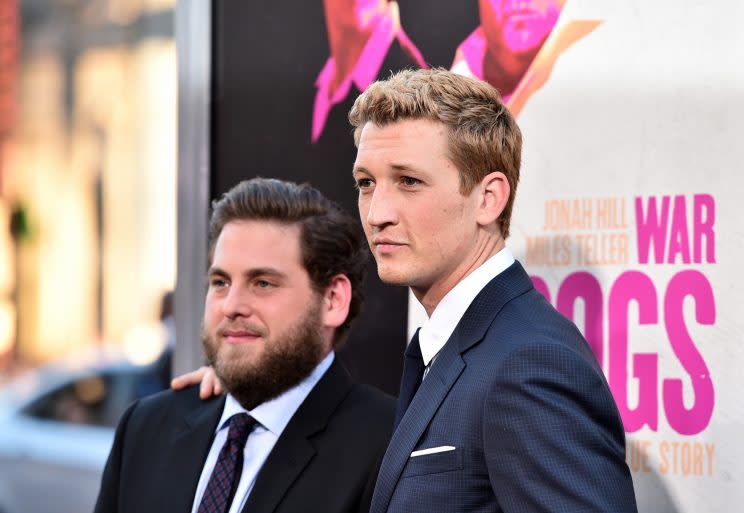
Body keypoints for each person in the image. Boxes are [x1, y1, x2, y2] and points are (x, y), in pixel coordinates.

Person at [177, 68, 638, 512]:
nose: (377, 213)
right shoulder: (456, 347)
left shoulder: (528, 362)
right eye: (366, 184)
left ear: (488, 197)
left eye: (409, 182)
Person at [95, 178, 395, 513]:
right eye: (220, 282)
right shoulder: (146, 429)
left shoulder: (388, 448)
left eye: (263, 283)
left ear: (332, 300)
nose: (232, 305)